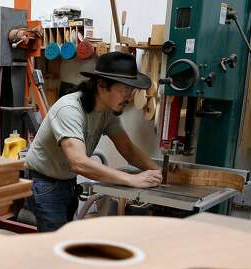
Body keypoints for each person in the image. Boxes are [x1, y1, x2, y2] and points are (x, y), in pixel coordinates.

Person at [25, 51, 162, 232]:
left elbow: (127, 148)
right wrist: (132, 179)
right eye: (125, 90)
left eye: (131, 91)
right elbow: (79, 162)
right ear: (102, 85)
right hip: (43, 182)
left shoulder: (106, 111)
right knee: (55, 244)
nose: (129, 98)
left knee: (64, 239)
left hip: (66, 182)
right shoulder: (70, 109)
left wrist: (156, 171)